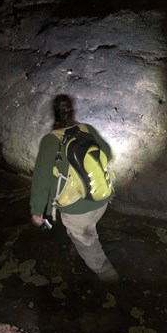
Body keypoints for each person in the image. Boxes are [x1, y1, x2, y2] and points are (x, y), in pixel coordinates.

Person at [29, 94, 119, 283]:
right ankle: (82, 242)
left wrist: (37, 212)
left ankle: (110, 278)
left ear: (54, 115)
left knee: (87, 241)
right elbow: (108, 154)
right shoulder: (87, 129)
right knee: (88, 228)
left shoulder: (50, 141)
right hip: (102, 195)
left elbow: (41, 179)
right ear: (74, 112)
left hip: (77, 209)